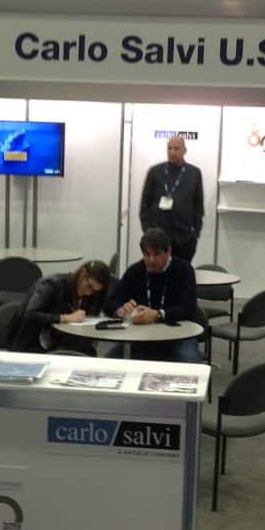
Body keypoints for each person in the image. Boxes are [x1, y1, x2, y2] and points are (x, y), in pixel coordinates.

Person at [107, 227, 199, 362]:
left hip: (178, 335)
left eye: (157, 254)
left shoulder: (184, 270)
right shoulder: (135, 271)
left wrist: (157, 314)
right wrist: (120, 310)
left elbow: (189, 309)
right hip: (140, 335)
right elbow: (110, 302)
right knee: (109, 360)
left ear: (168, 252)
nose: (151, 260)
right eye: (147, 254)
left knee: (190, 363)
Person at [10, 260, 111, 354]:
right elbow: (30, 314)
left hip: (62, 342)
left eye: (94, 291)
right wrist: (65, 318)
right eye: (88, 286)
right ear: (82, 273)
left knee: (88, 354)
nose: (89, 293)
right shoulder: (51, 284)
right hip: (34, 343)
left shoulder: (89, 295)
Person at [139, 134, 204, 262]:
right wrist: (148, 232)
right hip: (157, 239)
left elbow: (198, 206)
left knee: (181, 272)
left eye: (176, 148)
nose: (172, 152)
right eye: (169, 148)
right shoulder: (155, 172)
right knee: (157, 271)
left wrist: (195, 234)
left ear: (184, 151)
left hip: (184, 239)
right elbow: (145, 205)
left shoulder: (194, 173)